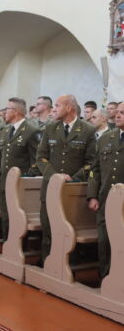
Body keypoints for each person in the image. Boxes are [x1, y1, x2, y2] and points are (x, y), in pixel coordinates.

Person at [37, 94, 96, 264]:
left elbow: (91, 161)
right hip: (50, 187)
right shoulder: (50, 128)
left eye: (57, 105)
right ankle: (45, 263)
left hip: (72, 189)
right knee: (48, 229)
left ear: (69, 107)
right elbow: (41, 157)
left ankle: (69, 265)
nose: (54, 109)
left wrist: (73, 178)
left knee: (68, 230)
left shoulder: (87, 130)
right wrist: (55, 176)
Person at [0, 98, 41, 241]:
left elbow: (36, 161)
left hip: (20, 182)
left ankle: (18, 246)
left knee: (17, 216)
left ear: (16, 112)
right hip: (4, 181)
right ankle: (7, 244)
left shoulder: (31, 131)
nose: (4, 112)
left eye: (7, 109)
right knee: (5, 216)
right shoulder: (5, 130)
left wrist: (25, 178)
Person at [87, 101, 124, 279]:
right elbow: (96, 170)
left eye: (122, 113)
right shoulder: (106, 138)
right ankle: (105, 278)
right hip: (106, 199)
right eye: (117, 112)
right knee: (105, 241)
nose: (117, 115)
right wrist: (92, 195)